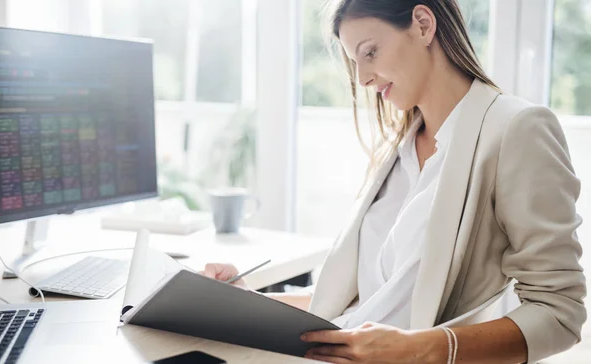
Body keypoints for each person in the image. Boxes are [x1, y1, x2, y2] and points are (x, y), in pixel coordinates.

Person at [201, 0, 587, 362]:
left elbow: (560, 312)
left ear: (422, 24)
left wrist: (425, 350)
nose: (363, 78)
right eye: (355, 62)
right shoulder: (396, 151)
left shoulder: (516, 129)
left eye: (370, 53)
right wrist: (246, 301)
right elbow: (361, 305)